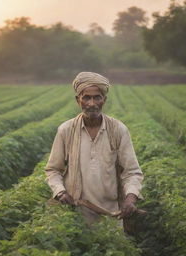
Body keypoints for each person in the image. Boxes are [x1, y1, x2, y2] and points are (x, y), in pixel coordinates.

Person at [45, 71, 143, 226]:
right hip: (75, 216)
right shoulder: (66, 130)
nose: (92, 103)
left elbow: (132, 172)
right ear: (78, 100)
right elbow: (53, 170)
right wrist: (60, 192)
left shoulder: (118, 130)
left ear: (104, 99)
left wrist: (130, 199)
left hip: (111, 214)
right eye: (86, 97)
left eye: (97, 97)